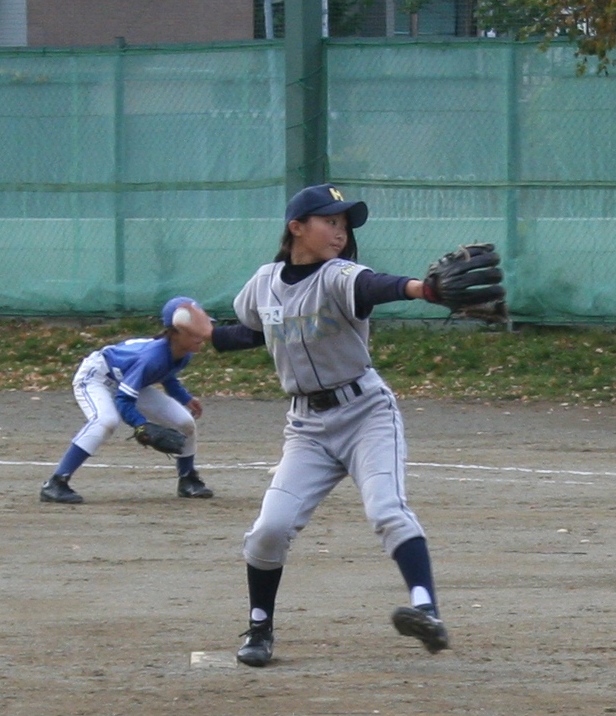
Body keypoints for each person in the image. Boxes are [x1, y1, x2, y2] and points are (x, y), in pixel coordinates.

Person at [210, 185, 468, 668]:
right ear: (296, 228)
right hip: (306, 426)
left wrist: (422, 289)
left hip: (365, 413)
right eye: (329, 220)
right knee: (270, 529)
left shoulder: (339, 275)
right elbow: (258, 326)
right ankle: (260, 627)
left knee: (387, 510)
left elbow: (377, 285)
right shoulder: (264, 282)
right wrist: (207, 336)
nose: (340, 230)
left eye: (344, 223)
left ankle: (426, 610)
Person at [40, 297, 216, 503]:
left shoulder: (183, 352)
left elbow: (167, 375)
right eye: (193, 331)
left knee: (185, 422)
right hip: (97, 377)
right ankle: (56, 482)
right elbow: (124, 400)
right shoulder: (152, 356)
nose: (201, 336)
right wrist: (141, 426)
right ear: (174, 332)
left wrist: (184, 398)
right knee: (106, 421)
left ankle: (188, 480)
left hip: (127, 381)